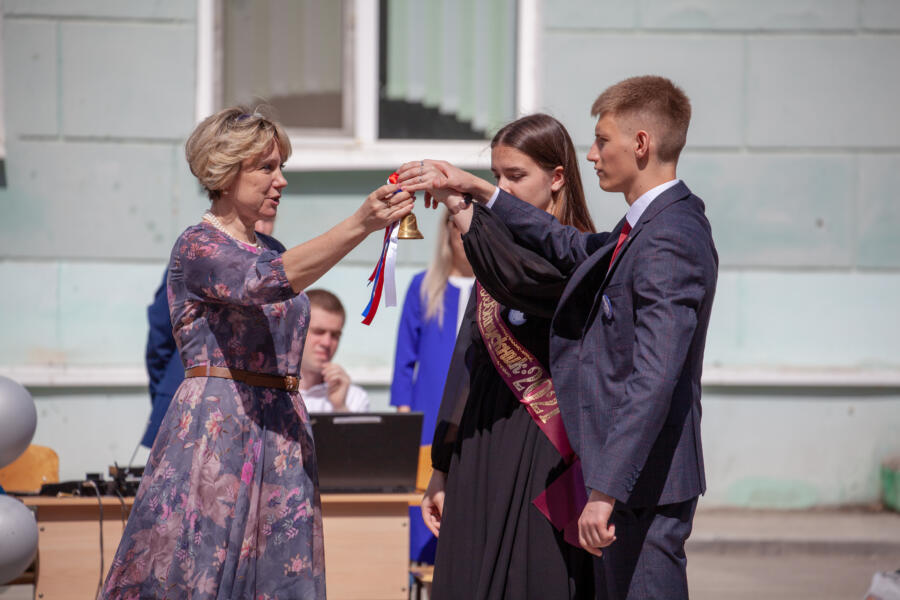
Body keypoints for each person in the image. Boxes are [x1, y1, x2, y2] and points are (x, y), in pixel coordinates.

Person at [401, 76, 718, 600]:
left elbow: (655, 377)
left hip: (640, 483)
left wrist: (606, 487)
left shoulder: (670, 237)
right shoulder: (643, 228)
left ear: (641, 144)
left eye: (602, 140)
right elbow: (565, 242)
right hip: (625, 481)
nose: (590, 154)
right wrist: (474, 192)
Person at [102, 106, 414, 599]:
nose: (281, 180)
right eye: (266, 167)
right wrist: (360, 222)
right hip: (219, 429)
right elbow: (259, 283)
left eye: (280, 166)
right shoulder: (198, 245)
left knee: (279, 573)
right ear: (226, 173)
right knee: (203, 567)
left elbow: (278, 273)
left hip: (281, 428)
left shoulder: (271, 247)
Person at [413, 114, 599, 598]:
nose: (503, 188)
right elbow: (468, 361)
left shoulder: (582, 254)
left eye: (516, 176)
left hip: (545, 446)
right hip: (482, 438)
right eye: (496, 176)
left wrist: (462, 204)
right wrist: (442, 466)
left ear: (557, 177)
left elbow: (522, 279)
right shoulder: (494, 254)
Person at [141, 217, 281, 449]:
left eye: (267, 220)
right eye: (253, 219)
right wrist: (168, 388)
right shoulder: (199, 255)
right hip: (187, 397)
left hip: (254, 409)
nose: (260, 227)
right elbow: (161, 332)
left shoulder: (274, 261)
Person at [390, 210, 475, 563]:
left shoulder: (494, 290)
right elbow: (403, 361)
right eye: (457, 225)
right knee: (427, 500)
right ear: (447, 231)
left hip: (476, 413)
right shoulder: (423, 287)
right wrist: (404, 425)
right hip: (429, 416)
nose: (464, 234)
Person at [300, 288, 369, 413]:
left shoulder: (353, 398)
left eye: (335, 335)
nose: (327, 342)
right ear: (295, 332)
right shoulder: (270, 393)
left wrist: (340, 408)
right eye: (319, 332)